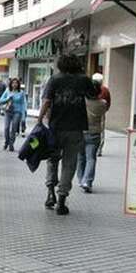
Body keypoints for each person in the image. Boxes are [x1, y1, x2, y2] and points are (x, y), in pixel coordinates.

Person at [38, 54, 95, 215]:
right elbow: (93, 96)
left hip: (55, 127)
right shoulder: (84, 79)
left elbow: (47, 101)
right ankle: (61, 200)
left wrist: (39, 120)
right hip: (76, 127)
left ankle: (50, 193)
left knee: (52, 160)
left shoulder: (54, 79)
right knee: (70, 164)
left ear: (60, 64)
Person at [76, 81, 108, 193]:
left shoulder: (82, 101)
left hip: (81, 132)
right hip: (94, 133)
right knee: (91, 158)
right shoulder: (103, 103)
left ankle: (80, 179)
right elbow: (105, 111)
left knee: (80, 157)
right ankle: (87, 181)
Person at [0, 78, 27, 152]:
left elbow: (23, 104)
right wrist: (7, 98)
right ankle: (6, 141)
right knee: (6, 128)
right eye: (13, 83)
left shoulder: (21, 92)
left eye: (16, 83)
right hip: (8, 111)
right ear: (11, 84)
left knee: (13, 128)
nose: (14, 84)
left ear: (18, 84)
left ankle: (11, 144)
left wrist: (23, 115)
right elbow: (0, 100)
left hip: (17, 112)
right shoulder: (7, 90)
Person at [92, 73, 111, 156]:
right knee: (101, 130)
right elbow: (109, 102)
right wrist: (105, 110)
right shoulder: (105, 90)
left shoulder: (89, 89)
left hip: (90, 110)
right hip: (101, 112)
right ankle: (99, 149)